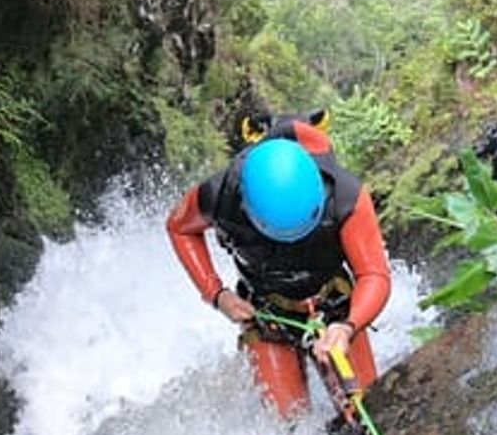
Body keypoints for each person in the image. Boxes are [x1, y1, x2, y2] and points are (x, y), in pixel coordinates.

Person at [166, 112, 392, 416]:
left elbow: (374, 274)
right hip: (266, 309)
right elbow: (180, 228)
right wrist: (218, 296)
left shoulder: (345, 195)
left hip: (332, 300)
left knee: (366, 410)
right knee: (290, 428)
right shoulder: (221, 194)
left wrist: (346, 328)